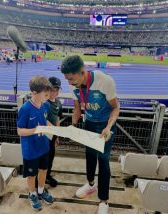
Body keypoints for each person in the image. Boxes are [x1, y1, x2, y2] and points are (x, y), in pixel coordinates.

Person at [61, 55, 120, 214]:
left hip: (105, 127)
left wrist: (108, 127)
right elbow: (78, 109)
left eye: (71, 79)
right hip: (89, 123)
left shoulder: (104, 81)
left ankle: (104, 200)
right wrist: (73, 125)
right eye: (67, 79)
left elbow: (115, 108)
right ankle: (90, 184)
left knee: (103, 160)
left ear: (82, 72)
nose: (69, 83)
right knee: (89, 155)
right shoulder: (74, 85)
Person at [17, 76, 54, 211]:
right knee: (32, 175)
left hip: (43, 147)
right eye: (45, 94)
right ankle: (32, 194)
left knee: (44, 170)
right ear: (34, 93)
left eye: (48, 93)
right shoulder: (25, 109)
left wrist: (55, 129)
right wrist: (35, 130)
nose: (48, 96)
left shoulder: (45, 106)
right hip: (31, 151)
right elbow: (20, 131)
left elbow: (45, 122)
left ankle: (41, 190)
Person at [35, 77, 63, 188]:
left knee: (50, 157)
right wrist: (52, 129)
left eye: (57, 90)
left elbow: (57, 119)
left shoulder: (58, 103)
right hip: (43, 137)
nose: (54, 92)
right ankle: (38, 184)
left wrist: (57, 135)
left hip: (52, 136)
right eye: (52, 89)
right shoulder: (42, 103)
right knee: (42, 160)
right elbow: (42, 119)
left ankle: (47, 176)